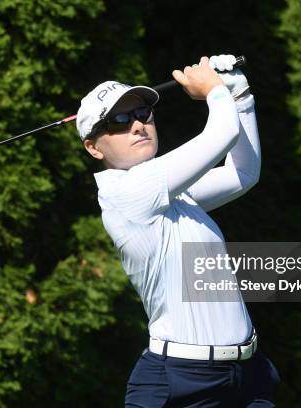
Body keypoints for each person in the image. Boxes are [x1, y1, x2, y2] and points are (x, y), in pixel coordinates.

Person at [76, 55, 280, 407]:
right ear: (94, 147)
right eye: (119, 121)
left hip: (247, 378)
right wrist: (215, 91)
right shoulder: (124, 193)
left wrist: (239, 96)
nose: (137, 125)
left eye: (143, 114)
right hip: (180, 382)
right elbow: (221, 134)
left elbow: (242, 174)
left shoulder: (174, 193)